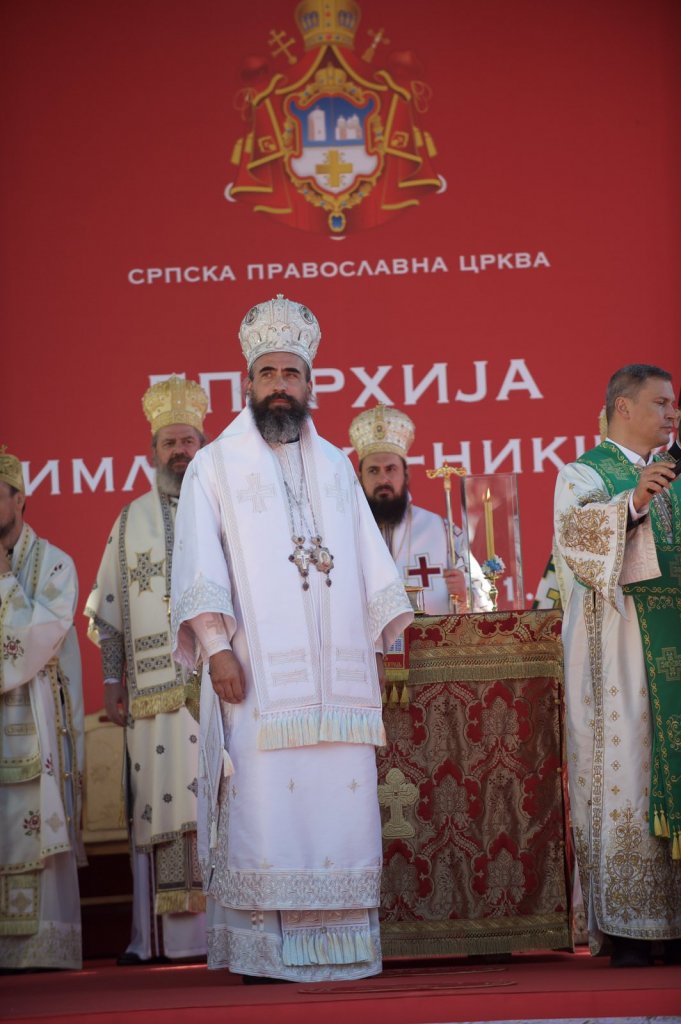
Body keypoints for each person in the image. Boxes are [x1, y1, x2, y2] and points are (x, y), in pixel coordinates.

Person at [170, 295, 413, 983]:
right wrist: (216, 648)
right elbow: (199, 562)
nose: (280, 385)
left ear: (310, 384)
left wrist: (380, 647)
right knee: (266, 806)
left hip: (339, 684)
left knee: (339, 804)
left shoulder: (337, 466)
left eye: (292, 374)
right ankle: (265, 952)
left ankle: (343, 945)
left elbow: (368, 563)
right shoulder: (215, 466)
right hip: (257, 677)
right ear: (247, 382)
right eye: (268, 373)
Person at [553, 364, 681, 968]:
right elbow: (579, 544)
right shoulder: (583, 473)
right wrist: (633, 501)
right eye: (661, 403)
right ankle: (630, 926)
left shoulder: (674, 473)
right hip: (619, 654)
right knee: (624, 771)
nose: (672, 413)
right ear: (623, 408)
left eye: (674, 404)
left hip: (672, 652)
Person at [85, 377, 209, 965]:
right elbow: (109, 612)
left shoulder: (229, 509)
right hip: (153, 697)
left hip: (220, 690)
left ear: (203, 445)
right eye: (169, 443)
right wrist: (112, 681)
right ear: (153, 451)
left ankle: (229, 933)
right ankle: (159, 940)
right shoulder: (129, 520)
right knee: (158, 806)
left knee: (217, 804)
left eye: (188, 440)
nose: (179, 451)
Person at [0, 448, 84, 971]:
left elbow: (39, 638)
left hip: (35, 724)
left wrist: (4, 579)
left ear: (19, 499)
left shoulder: (55, 564)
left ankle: (39, 949)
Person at [350, 404, 492, 613]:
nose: (383, 479)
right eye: (373, 470)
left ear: (405, 474)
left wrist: (465, 595)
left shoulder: (442, 531)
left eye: (391, 469)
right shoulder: (345, 531)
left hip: (433, 634)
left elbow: (485, 601)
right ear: (360, 477)